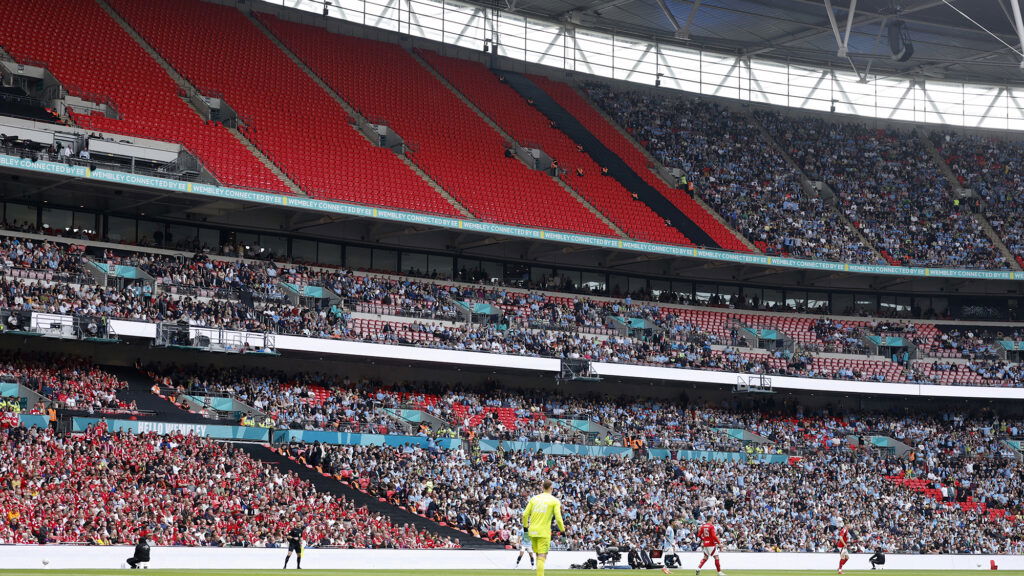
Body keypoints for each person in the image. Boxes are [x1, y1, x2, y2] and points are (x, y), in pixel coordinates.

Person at [522, 479, 565, 576]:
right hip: (543, 532)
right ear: (551, 488)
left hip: (532, 531)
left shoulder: (534, 499)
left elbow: (524, 515)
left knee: (538, 556)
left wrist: (525, 529)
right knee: (542, 556)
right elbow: (558, 518)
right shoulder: (554, 501)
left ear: (542, 487)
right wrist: (563, 532)